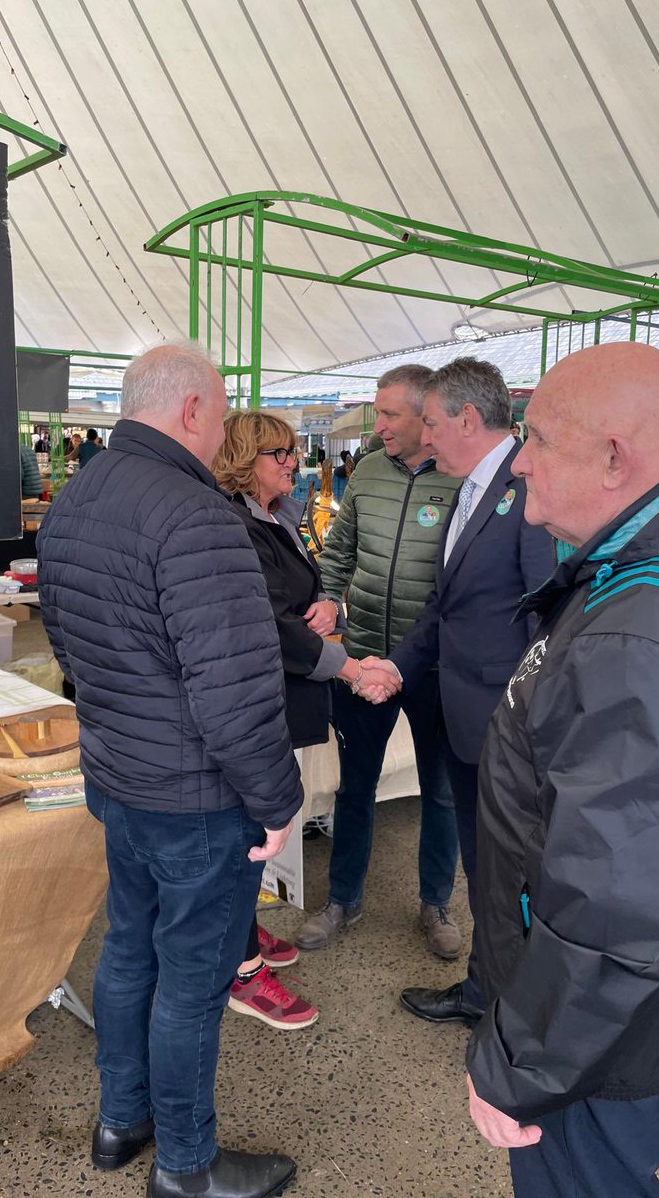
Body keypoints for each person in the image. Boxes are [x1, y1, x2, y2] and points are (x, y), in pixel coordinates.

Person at [463, 342, 659, 1198]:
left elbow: (611, 907)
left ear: (614, 458)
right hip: (658, 1002)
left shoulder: (645, 635)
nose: (519, 460)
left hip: (599, 1042)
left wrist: (520, 1062)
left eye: (537, 438)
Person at [37, 345, 301, 1198]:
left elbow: (69, 646)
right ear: (190, 410)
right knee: (192, 979)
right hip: (192, 797)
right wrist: (276, 800)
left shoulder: (77, 496)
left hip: (120, 780)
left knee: (127, 954)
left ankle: (123, 1121)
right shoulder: (196, 516)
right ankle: (187, 1166)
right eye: (222, 414)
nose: (221, 430)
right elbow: (233, 691)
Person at [360, 359, 554, 1027]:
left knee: (509, 877)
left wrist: (525, 727)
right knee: (487, 871)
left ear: (468, 420)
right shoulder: (475, 488)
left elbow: (546, 621)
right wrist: (396, 666)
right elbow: (446, 609)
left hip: (506, 729)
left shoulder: (527, 490)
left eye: (434, 423)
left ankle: (513, 1014)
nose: (426, 436)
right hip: (469, 719)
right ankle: (486, 991)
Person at [213, 412, 393, 1031]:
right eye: (277, 453)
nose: (292, 462)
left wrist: (326, 603)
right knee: (249, 832)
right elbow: (270, 625)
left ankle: (239, 932)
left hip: (282, 696)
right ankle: (238, 969)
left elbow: (296, 601)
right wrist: (348, 668)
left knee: (256, 832)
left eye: (293, 451)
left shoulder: (272, 516)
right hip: (260, 700)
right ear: (242, 457)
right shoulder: (236, 523)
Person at [294, 364, 463, 960]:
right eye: (378, 411)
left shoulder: (460, 478)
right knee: (355, 785)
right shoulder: (366, 470)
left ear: (427, 416)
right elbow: (338, 551)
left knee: (441, 790)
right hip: (363, 654)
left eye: (390, 413)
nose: (379, 424)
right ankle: (344, 898)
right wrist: (327, 598)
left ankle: (436, 902)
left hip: (434, 666)